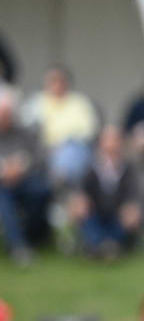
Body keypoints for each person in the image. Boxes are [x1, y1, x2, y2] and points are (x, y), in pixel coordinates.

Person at [69, 125, 144, 257]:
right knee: (87, 219)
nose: (111, 145)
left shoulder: (127, 168)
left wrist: (132, 206)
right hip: (95, 212)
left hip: (118, 214)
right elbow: (81, 190)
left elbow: (134, 193)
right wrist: (80, 202)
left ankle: (110, 244)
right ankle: (98, 244)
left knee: (128, 218)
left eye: (115, 140)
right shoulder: (91, 167)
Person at [23, 65, 98, 185]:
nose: (56, 84)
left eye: (60, 80)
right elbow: (26, 129)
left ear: (67, 82)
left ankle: (62, 188)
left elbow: (88, 132)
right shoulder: (36, 102)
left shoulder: (80, 102)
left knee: (70, 155)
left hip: (73, 151)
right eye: (52, 80)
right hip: (42, 151)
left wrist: (61, 146)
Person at [0, 88, 49, 265]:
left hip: (25, 180)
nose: (4, 119)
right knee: (3, 198)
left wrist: (21, 166)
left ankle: (34, 236)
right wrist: (5, 170)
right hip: (2, 184)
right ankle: (18, 247)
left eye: (6, 114)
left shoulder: (24, 132)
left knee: (42, 190)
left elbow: (40, 156)